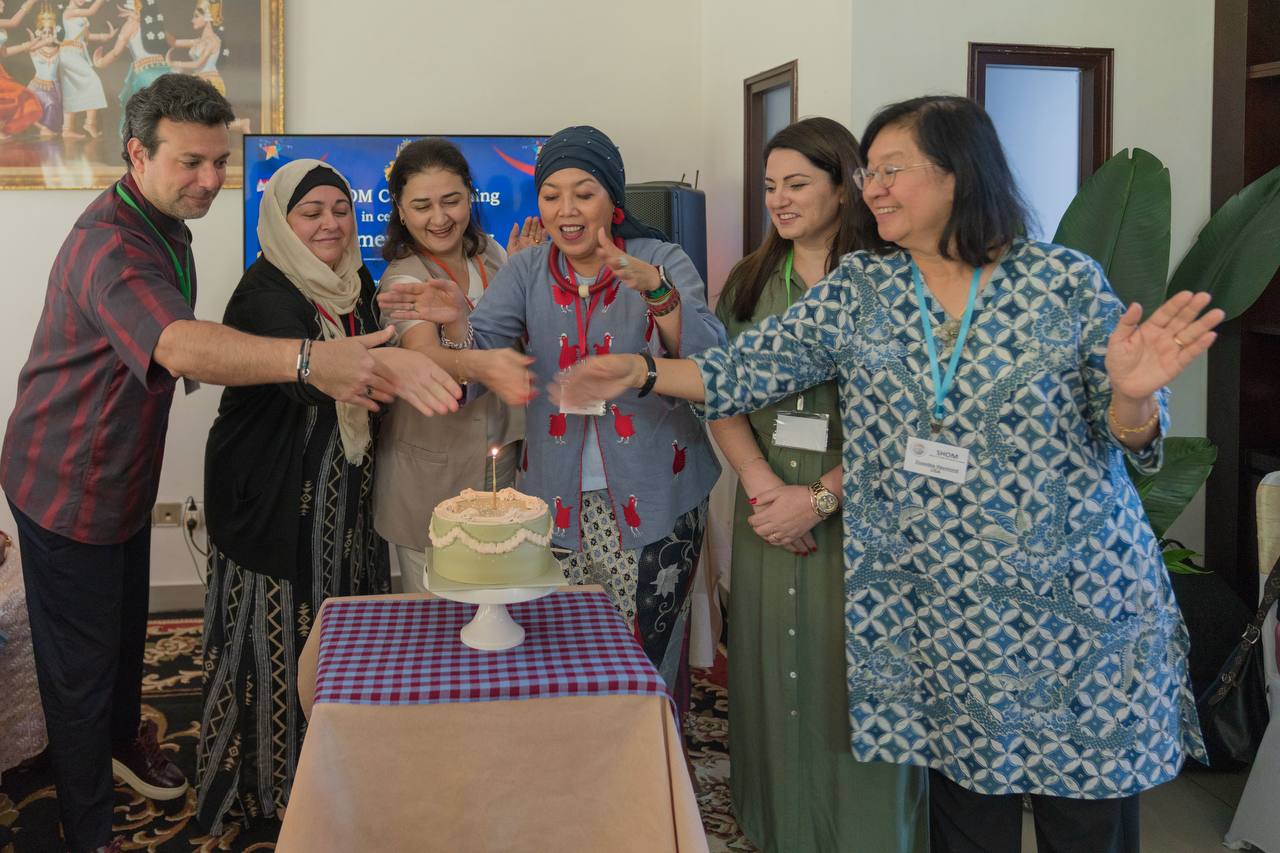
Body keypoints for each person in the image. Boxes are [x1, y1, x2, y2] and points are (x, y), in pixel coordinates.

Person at [555, 95, 1222, 853]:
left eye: (890, 170)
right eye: (868, 171)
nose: (871, 187)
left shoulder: (1062, 282)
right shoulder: (864, 289)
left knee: (1085, 821)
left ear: (958, 173)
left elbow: (1128, 435)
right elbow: (742, 371)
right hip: (941, 609)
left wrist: (1133, 394)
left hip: (1071, 608)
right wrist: (639, 370)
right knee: (966, 819)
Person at [0, 74, 457, 853]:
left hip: (123, 470)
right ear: (136, 154)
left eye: (219, 162)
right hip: (66, 478)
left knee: (123, 635)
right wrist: (311, 359)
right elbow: (178, 345)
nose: (211, 180)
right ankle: (90, 826)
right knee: (79, 664)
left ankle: (121, 739)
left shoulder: (166, 226)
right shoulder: (112, 245)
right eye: (192, 162)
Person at [381, 125, 724, 702]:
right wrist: (458, 320)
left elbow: (712, 363)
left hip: (654, 497)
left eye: (584, 193)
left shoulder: (661, 259)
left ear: (613, 199)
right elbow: (475, 369)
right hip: (553, 502)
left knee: (641, 660)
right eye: (551, 195)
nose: (566, 210)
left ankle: (647, 756)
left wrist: (658, 293)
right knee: (560, 658)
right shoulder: (527, 270)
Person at [710, 116, 926, 852]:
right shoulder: (748, 282)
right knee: (772, 672)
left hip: (867, 511)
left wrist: (821, 495)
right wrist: (764, 487)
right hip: (766, 508)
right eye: (770, 186)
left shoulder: (896, 281)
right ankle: (778, 825)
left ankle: (866, 834)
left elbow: (914, 419)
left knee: (856, 677)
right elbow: (720, 393)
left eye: (797, 183)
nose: (779, 199)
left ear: (845, 187)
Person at [194, 158, 408, 833]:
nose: (329, 224)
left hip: (344, 503)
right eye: (311, 212)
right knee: (275, 640)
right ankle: (269, 795)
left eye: (340, 210)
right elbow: (311, 378)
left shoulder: (357, 284)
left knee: (344, 631)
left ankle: (343, 772)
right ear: (282, 224)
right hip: (277, 498)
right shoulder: (266, 292)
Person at [373, 138, 540, 591]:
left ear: (470, 195)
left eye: (451, 201)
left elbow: (514, 327)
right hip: (432, 472)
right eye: (422, 206)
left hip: (500, 460)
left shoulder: (491, 254)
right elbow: (424, 356)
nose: (440, 218)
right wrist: (487, 365)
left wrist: (522, 275)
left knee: (497, 593)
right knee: (438, 605)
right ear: (400, 210)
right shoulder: (405, 276)